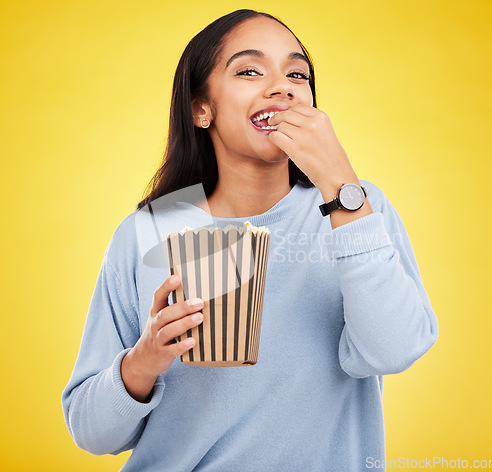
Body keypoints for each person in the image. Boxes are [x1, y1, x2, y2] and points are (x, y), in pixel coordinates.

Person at [62, 9, 438, 471]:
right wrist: (145, 359)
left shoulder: (358, 208)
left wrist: (340, 183)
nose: (282, 86)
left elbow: (394, 349)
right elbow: (90, 432)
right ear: (202, 108)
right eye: (249, 70)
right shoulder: (148, 232)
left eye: (297, 73)